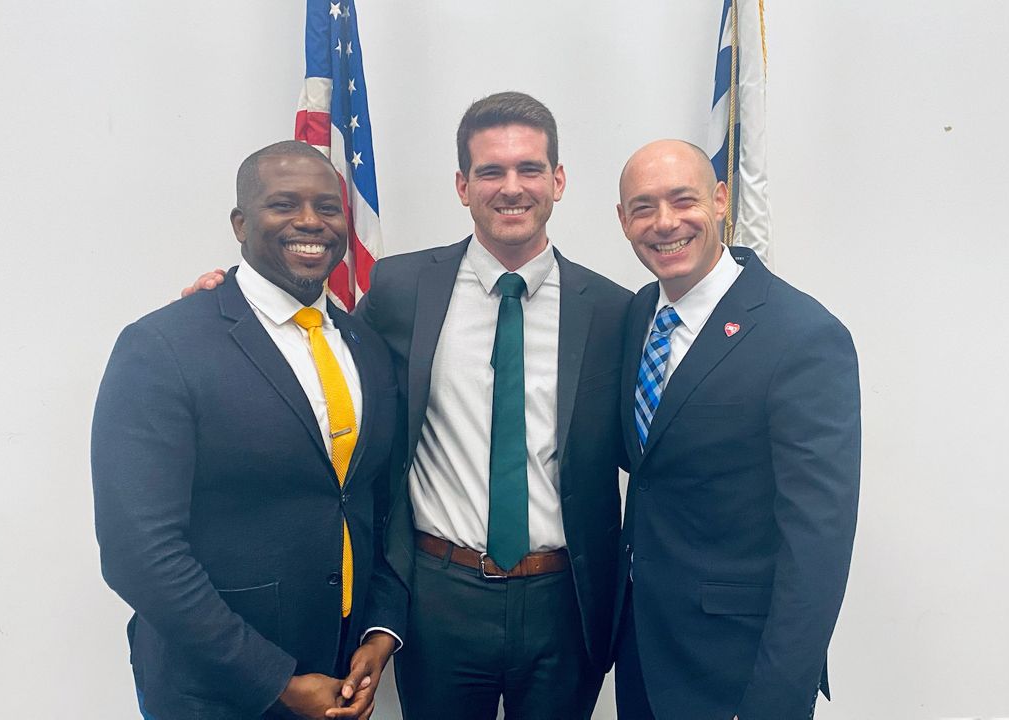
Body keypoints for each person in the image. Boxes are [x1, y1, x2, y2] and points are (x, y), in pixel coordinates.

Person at [184, 92, 631, 719]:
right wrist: (227, 296)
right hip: (440, 597)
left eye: (529, 169)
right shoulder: (400, 289)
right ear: (461, 184)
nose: (511, 188)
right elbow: (316, 344)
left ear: (557, 181)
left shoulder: (615, 311)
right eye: (490, 171)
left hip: (566, 600)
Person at [92, 141, 403, 720]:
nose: (311, 221)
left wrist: (381, 628)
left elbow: (374, 503)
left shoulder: (366, 347)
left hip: (341, 675)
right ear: (240, 223)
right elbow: (138, 553)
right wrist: (277, 679)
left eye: (327, 207)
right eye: (284, 203)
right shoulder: (162, 347)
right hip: (213, 687)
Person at [611, 139, 861, 720]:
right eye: (643, 207)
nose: (665, 222)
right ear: (623, 221)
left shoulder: (801, 336)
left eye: (683, 200)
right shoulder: (636, 317)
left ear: (721, 200)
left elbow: (817, 543)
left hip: (738, 671)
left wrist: (778, 699)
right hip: (644, 653)